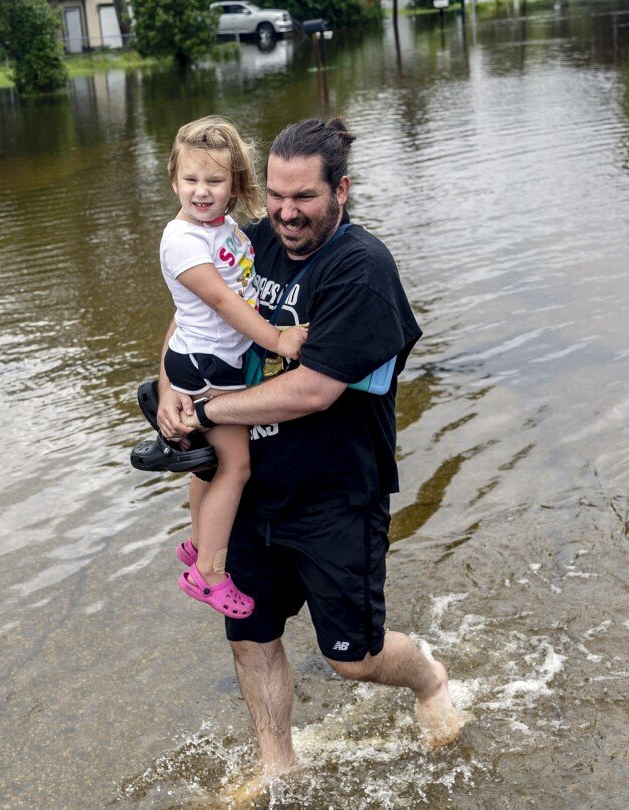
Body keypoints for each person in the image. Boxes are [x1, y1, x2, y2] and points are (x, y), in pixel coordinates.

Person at [157, 117, 469, 776]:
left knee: (353, 658)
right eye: (275, 195)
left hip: (334, 495)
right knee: (251, 636)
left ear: (341, 191)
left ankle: (429, 678)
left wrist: (205, 409)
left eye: (304, 197)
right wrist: (167, 390)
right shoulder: (250, 240)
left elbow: (313, 391)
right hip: (251, 488)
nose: (285, 213)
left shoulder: (362, 270)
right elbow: (194, 313)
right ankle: (279, 767)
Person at [156, 116, 310, 619]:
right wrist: (279, 340)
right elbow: (223, 302)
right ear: (174, 181)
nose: (201, 191)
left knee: (208, 462)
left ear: (235, 185)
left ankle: (198, 539)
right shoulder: (183, 239)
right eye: (190, 179)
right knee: (235, 466)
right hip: (206, 366)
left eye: (214, 180)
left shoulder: (220, 227)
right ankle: (209, 572)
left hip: (209, 359)